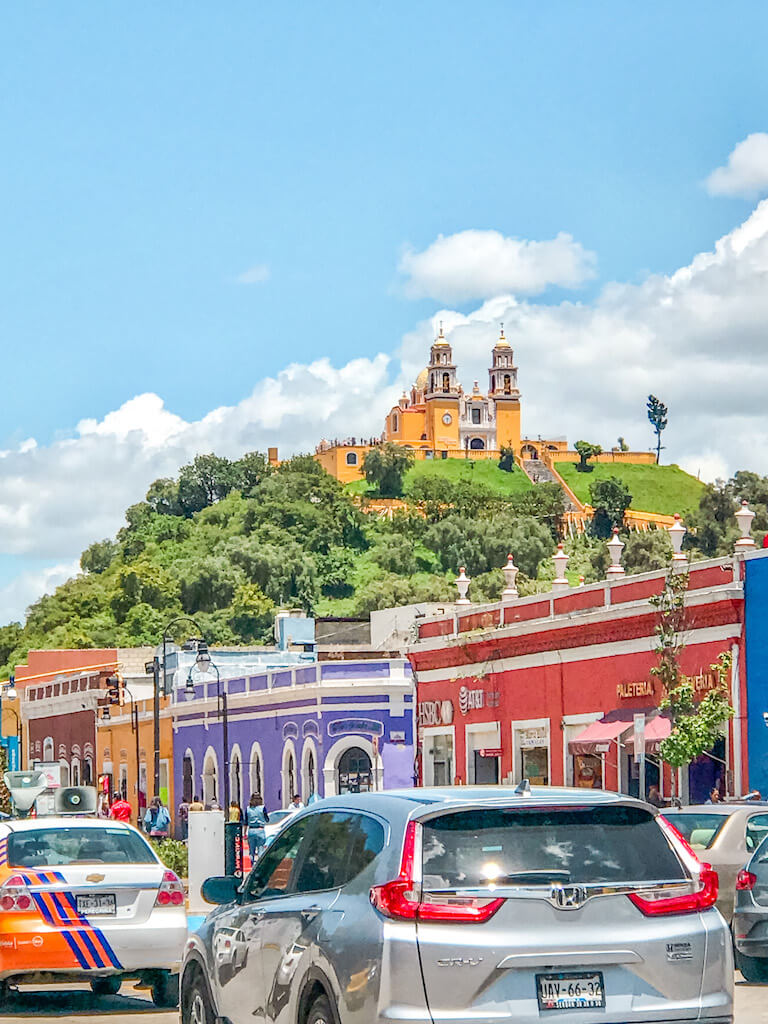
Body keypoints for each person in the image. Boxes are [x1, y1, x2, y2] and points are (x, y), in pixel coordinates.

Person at [245, 792, 269, 863]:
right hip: (260, 829)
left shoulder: (248, 809)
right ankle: (259, 867)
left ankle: (251, 865)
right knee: (260, 850)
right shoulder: (262, 808)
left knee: (251, 851)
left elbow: (246, 822)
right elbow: (267, 819)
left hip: (251, 830)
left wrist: (244, 833)